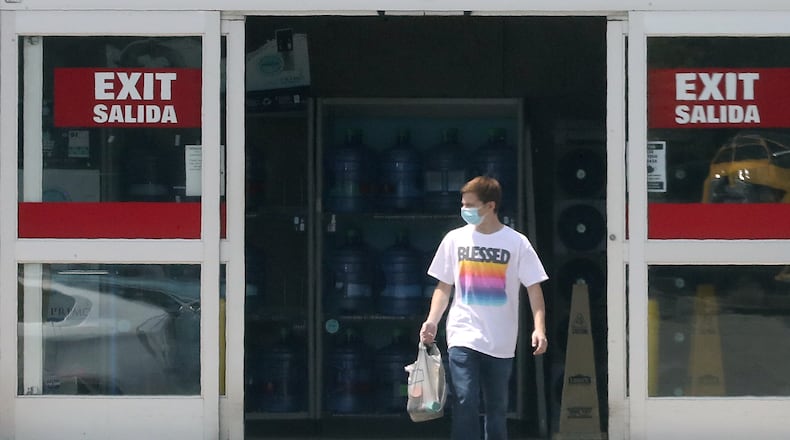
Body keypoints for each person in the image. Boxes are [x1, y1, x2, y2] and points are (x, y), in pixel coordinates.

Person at [419, 175, 548, 440]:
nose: (464, 210)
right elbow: (444, 287)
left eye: (470, 205)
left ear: (490, 206)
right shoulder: (454, 240)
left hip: (501, 339)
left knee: (496, 409)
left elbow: (534, 287)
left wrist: (539, 328)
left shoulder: (516, 243)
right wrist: (432, 320)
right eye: (462, 204)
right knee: (465, 400)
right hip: (462, 334)